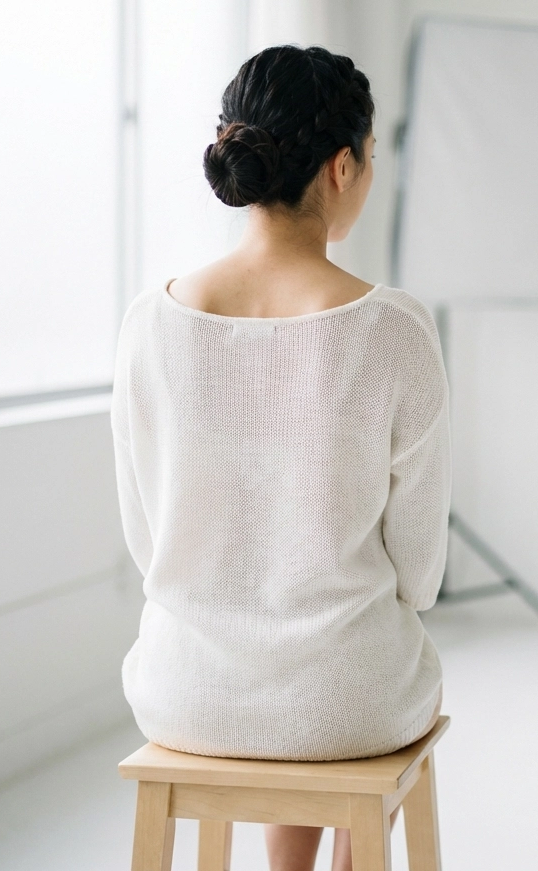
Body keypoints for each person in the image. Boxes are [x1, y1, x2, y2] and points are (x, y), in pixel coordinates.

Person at [110, 44, 450, 871]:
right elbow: (419, 574)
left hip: (184, 692)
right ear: (342, 166)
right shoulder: (393, 330)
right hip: (347, 699)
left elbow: (146, 537)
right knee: (345, 667)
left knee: (302, 663)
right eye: (371, 158)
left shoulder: (150, 323)